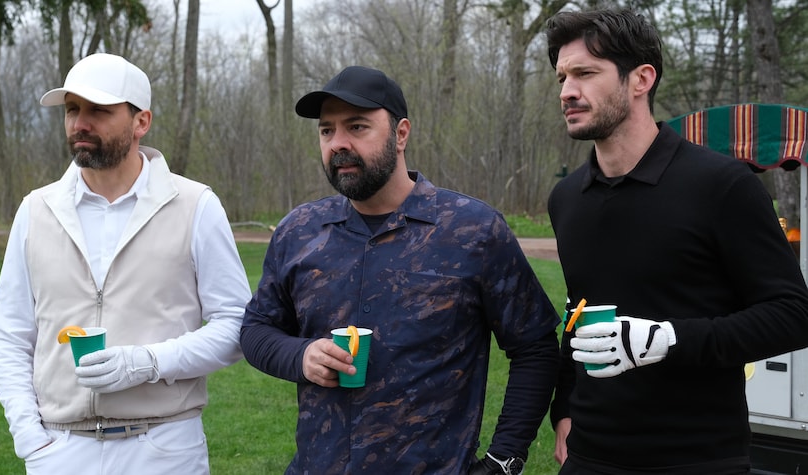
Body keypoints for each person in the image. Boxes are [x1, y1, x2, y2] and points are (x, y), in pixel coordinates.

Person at [239, 65, 561, 474]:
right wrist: (300, 355)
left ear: (401, 133)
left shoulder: (471, 230)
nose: (338, 144)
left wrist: (504, 460)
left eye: (357, 127)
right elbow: (255, 330)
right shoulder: (300, 231)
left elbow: (534, 346)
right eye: (326, 131)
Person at [545, 8, 808, 475]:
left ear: (641, 78)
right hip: (589, 454)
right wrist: (564, 406)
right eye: (562, 76)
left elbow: (793, 315)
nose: (567, 91)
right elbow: (579, 310)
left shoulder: (722, 185)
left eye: (585, 73)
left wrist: (668, 338)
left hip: (699, 457)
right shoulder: (567, 198)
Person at [0, 53, 252, 475]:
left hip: (165, 447)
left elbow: (237, 325)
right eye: (72, 109)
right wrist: (29, 437)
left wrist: (147, 362)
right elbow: (10, 334)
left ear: (141, 121)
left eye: (99, 110)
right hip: (59, 451)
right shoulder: (36, 210)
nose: (80, 123)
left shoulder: (195, 205)